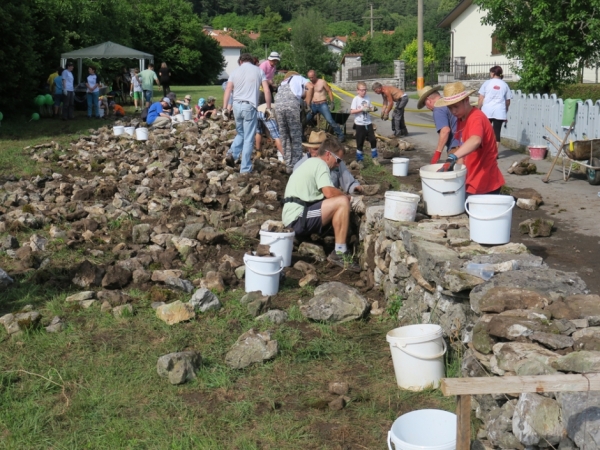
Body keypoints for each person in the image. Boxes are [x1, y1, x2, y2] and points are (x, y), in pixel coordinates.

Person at [282, 136, 360, 272]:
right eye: (338, 160)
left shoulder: (310, 163)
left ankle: (336, 245)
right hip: (297, 218)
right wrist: (348, 198)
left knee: (338, 204)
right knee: (342, 202)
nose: (338, 165)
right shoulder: (320, 165)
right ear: (329, 155)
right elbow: (329, 192)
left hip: (295, 214)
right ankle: (340, 253)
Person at [435, 82, 505, 196]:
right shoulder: (461, 118)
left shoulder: (476, 118)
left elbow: (475, 140)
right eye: (450, 108)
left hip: (485, 183)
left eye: (456, 106)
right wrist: (457, 173)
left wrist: (453, 157)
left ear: (466, 100)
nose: (453, 111)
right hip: (471, 181)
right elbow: (462, 147)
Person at [223, 53, 272, 173]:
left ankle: (232, 155)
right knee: (249, 138)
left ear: (241, 61)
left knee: (240, 133)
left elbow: (228, 89)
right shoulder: (259, 71)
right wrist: (268, 107)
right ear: (252, 61)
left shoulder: (234, 71)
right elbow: (266, 89)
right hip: (249, 106)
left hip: (236, 106)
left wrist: (225, 108)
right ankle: (245, 169)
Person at [294, 131, 363, 195]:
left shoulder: (336, 162)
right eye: (315, 149)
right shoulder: (300, 166)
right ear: (308, 149)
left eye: (320, 149)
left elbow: (349, 182)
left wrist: (355, 188)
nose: (318, 152)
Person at [275, 71, 311, 172]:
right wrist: (308, 104)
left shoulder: (283, 83)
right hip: (291, 106)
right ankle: (297, 166)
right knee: (295, 135)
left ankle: (289, 166)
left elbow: (301, 93)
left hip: (278, 106)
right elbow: (311, 87)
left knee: (285, 136)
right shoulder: (299, 78)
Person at [417, 85, 461, 164]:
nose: (426, 107)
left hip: (457, 148)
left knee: (458, 174)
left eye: (425, 103)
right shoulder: (449, 102)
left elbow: (445, 130)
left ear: (428, 100)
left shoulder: (438, 108)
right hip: (467, 144)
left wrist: (437, 153)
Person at [478, 65, 512, 152]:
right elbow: (508, 101)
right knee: (497, 132)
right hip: (499, 111)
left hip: (487, 111)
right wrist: (506, 109)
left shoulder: (487, 83)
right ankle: (495, 153)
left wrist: (478, 109)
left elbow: (481, 98)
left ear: (493, 73)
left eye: (490, 73)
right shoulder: (505, 85)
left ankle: (485, 150)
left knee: (485, 131)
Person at [305, 70, 345, 142]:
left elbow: (329, 91)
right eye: (309, 77)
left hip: (322, 104)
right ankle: (301, 135)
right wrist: (308, 105)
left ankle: (341, 135)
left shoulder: (322, 82)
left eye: (312, 77)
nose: (311, 79)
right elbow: (307, 94)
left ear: (315, 75)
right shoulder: (309, 84)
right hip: (313, 105)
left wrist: (332, 102)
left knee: (330, 120)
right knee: (306, 119)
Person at [350, 82, 378, 162]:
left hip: (368, 122)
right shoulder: (356, 99)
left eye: (365, 90)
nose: (364, 92)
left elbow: (369, 107)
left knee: (373, 140)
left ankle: (374, 158)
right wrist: (361, 109)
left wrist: (372, 108)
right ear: (357, 91)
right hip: (359, 124)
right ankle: (359, 160)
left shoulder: (367, 98)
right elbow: (352, 111)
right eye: (362, 90)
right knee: (360, 142)